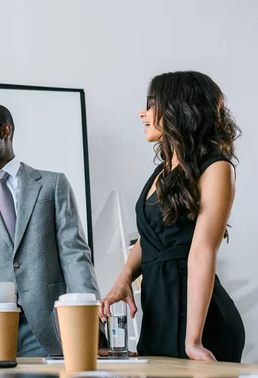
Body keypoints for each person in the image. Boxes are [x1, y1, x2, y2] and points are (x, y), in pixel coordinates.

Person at [100, 71, 245, 362]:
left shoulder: (216, 167)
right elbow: (150, 237)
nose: (143, 114)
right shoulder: (163, 171)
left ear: (179, 109)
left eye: (152, 105)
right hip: (158, 314)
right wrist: (124, 278)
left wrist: (193, 341)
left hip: (200, 321)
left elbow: (203, 252)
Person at [0, 104, 103, 356]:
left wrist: (91, 321)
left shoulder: (53, 185)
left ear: (5, 131)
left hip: (51, 329)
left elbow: (75, 255)